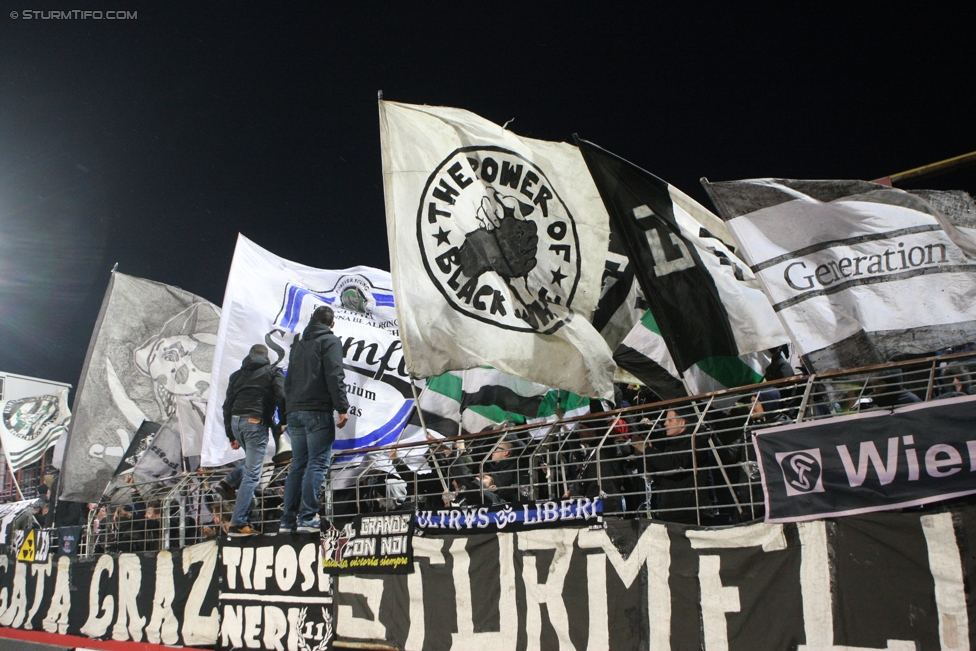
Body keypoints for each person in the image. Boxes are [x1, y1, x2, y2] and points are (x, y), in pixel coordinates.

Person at [279, 306, 349, 534]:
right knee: (317, 463)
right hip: (317, 410)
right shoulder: (330, 341)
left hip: (295, 411)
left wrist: (287, 411)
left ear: (312, 320)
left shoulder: (298, 341)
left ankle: (286, 521)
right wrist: (342, 407)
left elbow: (288, 379)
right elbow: (334, 374)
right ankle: (307, 518)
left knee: (298, 464)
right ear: (332, 324)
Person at [220, 343, 287, 536]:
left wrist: (231, 434)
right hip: (255, 422)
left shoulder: (237, 375)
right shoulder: (273, 372)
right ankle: (238, 522)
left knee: (252, 460)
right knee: (252, 475)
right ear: (266, 357)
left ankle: (228, 481)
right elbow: (281, 396)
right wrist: (282, 421)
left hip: (236, 422)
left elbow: (227, 406)